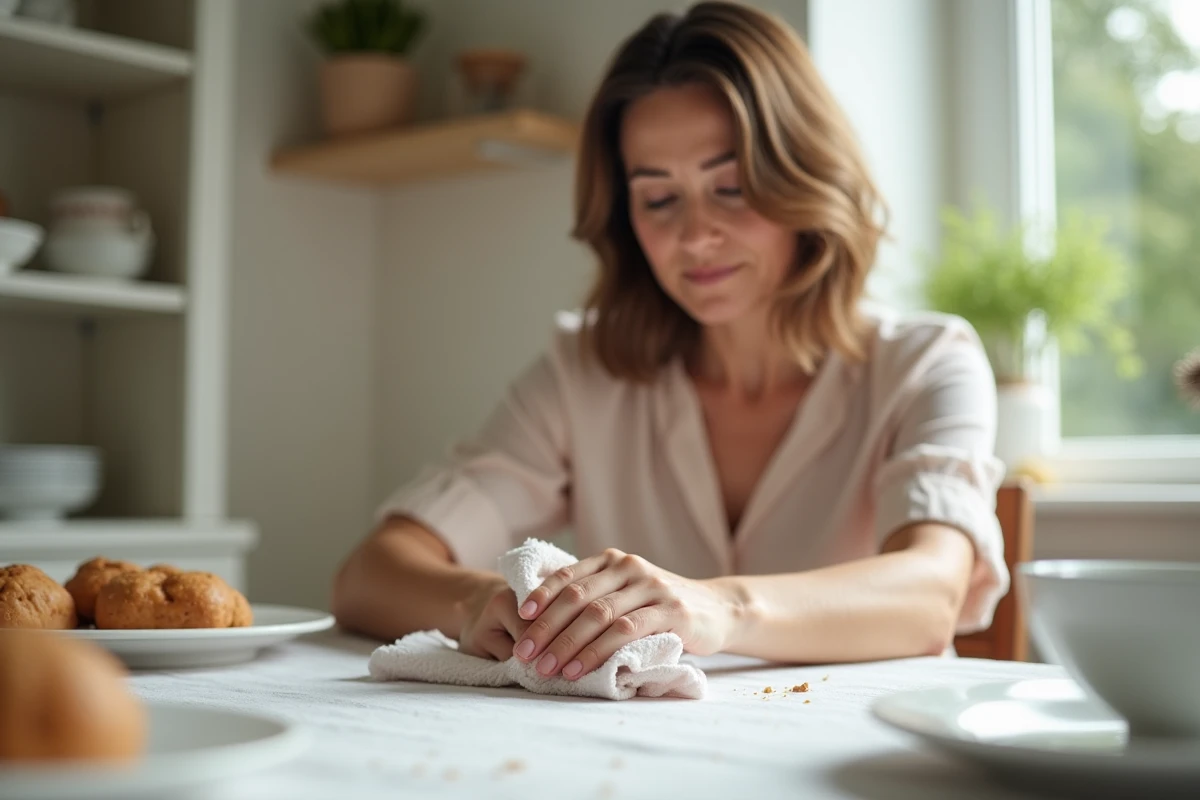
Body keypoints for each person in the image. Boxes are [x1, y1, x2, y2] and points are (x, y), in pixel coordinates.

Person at [332, 1, 1008, 679]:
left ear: (807, 178)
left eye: (731, 186)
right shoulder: (585, 370)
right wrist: (482, 600)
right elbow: (371, 573)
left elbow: (933, 593)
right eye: (659, 199)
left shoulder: (927, 364)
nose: (695, 236)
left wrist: (718, 607)